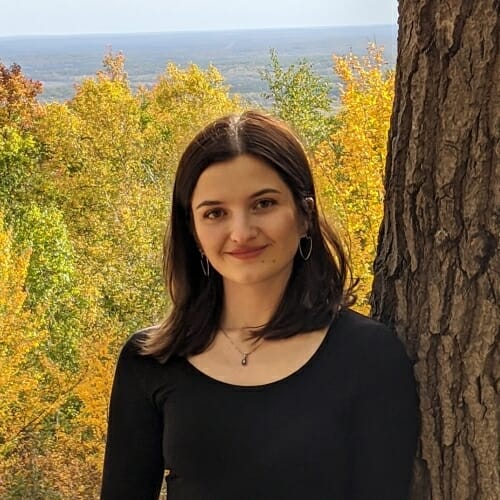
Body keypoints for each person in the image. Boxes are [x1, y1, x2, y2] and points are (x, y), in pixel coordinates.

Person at [100, 110, 418, 500]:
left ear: (305, 216)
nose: (241, 232)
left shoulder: (368, 356)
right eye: (215, 213)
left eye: (263, 204)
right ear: (194, 232)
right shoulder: (150, 360)